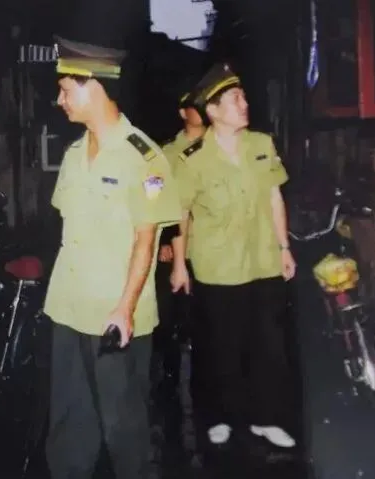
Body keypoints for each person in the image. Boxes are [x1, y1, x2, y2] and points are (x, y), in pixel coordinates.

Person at [43, 36, 182, 478]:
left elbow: (146, 238)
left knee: (126, 431)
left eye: (66, 89)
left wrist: (124, 308)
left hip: (114, 316)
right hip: (68, 309)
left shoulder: (144, 157)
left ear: (94, 86)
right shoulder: (72, 155)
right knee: (68, 427)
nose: (59, 99)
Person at [170, 63, 298, 450]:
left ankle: (266, 420)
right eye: (235, 99)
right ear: (213, 110)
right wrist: (179, 264)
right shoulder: (192, 158)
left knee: (269, 347)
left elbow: (275, 197)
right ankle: (221, 417)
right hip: (218, 267)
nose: (245, 104)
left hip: (264, 261)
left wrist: (284, 247)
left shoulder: (262, 145)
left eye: (243, 96)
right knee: (221, 347)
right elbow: (181, 214)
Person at [153, 85, 206, 398]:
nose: (202, 110)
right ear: (183, 112)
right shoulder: (167, 153)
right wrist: (163, 240)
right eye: (195, 105)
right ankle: (170, 385)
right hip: (179, 249)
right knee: (171, 319)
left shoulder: (220, 145)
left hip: (214, 247)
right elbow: (157, 199)